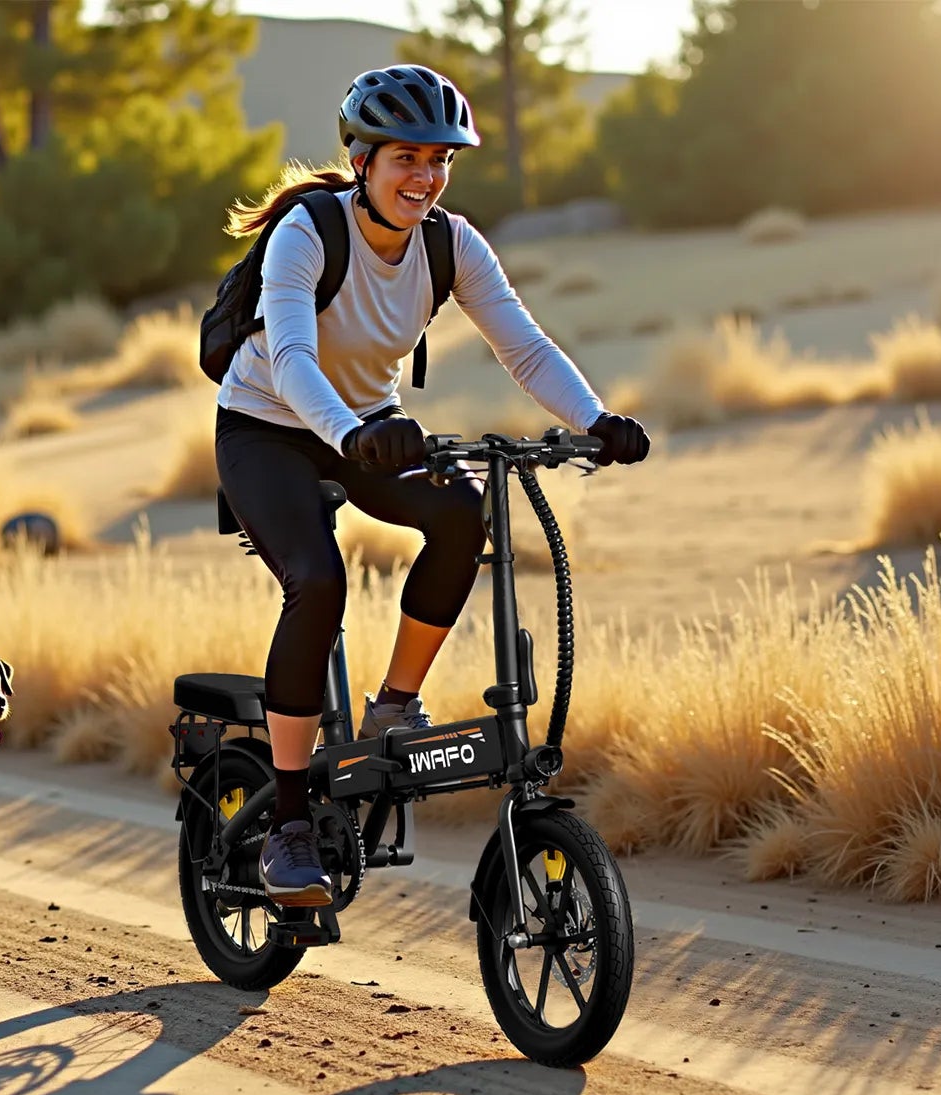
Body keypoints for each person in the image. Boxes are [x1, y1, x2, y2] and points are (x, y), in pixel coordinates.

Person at [215, 66, 652, 906]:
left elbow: (522, 346)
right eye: (405, 158)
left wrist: (596, 418)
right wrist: (352, 434)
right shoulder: (307, 231)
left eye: (439, 160)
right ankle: (291, 823)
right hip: (269, 424)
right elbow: (294, 358)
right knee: (317, 579)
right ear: (363, 161)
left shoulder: (453, 243)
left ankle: (393, 706)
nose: (425, 177)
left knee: (460, 514)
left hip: (366, 425)